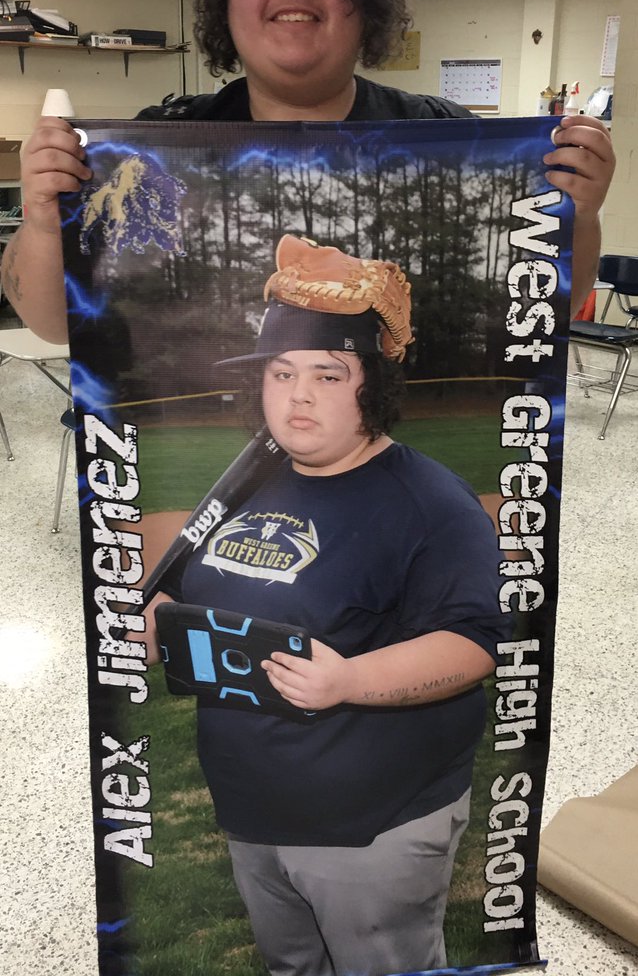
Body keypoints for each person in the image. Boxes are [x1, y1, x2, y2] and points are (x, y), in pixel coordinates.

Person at [1, 0, 615, 340]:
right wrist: (41, 216)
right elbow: (55, 326)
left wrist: (579, 214)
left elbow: (542, 313)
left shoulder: (450, 140)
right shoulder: (150, 152)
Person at [142, 233, 508, 976]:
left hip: (370, 828)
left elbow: (472, 647)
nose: (297, 395)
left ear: (373, 384)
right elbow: (186, 583)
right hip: (250, 809)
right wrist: (157, 617)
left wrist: (348, 681)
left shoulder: (431, 503)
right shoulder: (249, 474)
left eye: (327, 375)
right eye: (281, 373)